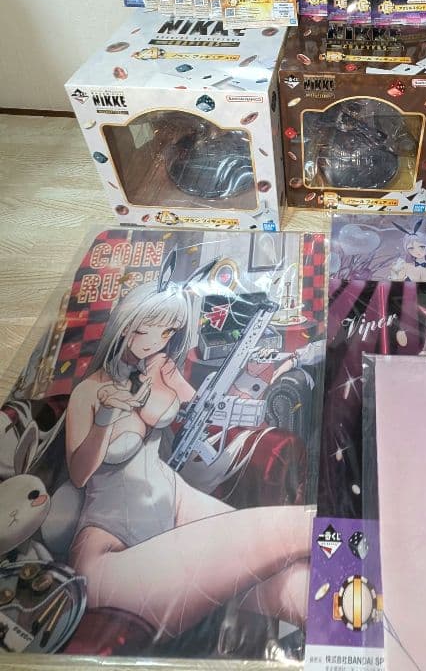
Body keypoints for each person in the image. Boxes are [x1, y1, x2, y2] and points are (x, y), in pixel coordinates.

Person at [63, 258, 310, 640]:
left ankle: (374, 638)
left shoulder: (157, 368)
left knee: (295, 580)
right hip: (110, 555)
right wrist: (105, 418)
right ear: (125, 325)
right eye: (147, 329)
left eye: (167, 332)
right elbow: (80, 474)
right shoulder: (89, 392)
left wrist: (260, 371)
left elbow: (200, 402)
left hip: (174, 501)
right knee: (298, 529)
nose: (156, 341)